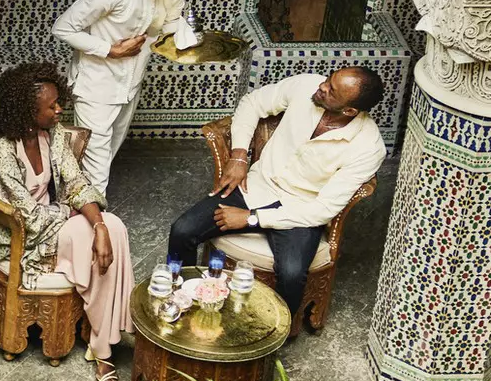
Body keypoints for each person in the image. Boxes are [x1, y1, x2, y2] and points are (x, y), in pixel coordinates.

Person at [165, 68, 387, 332]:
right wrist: (238, 157)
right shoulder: (307, 86)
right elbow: (252, 103)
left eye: (332, 90)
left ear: (350, 111)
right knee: (183, 230)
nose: (323, 86)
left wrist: (251, 218)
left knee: (292, 274)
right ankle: (181, 298)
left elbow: (323, 209)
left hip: (298, 213)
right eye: (329, 79)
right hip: (254, 187)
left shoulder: (367, 147)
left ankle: (270, 337)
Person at [0, 62, 137, 381]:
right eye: (51, 106)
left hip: (56, 222)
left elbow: (78, 183)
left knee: (115, 228)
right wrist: (76, 218)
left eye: (59, 103)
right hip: (21, 238)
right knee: (89, 237)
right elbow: (25, 215)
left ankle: (103, 341)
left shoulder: (50, 135)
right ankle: (105, 346)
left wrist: (98, 226)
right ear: (26, 111)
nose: (59, 110)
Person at [51, 0, 192, 193]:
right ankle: (96, 226)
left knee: (108, 153)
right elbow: (63, 27)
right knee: (95, 166)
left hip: (131, 84)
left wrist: (184, 43)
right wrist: (109, 50)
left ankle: (75, 204)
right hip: (96, 83)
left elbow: (171, 20)